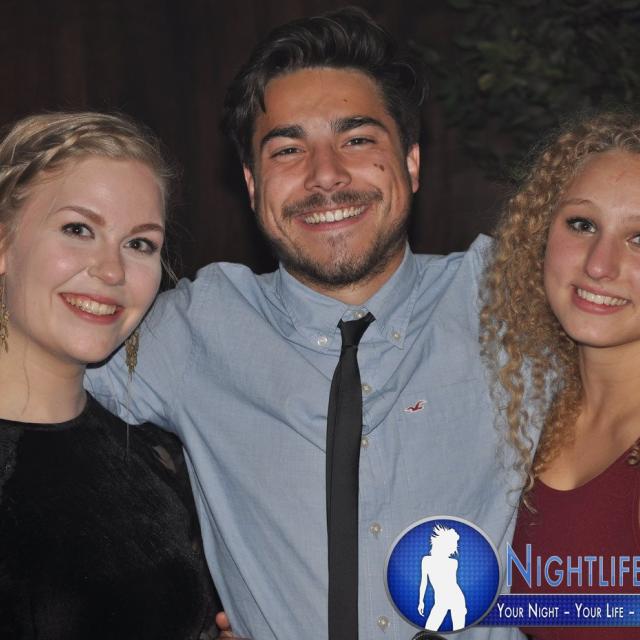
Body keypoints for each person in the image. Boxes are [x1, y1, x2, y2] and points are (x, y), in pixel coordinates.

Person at [87, 8, 528, 639]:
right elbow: (32, 366)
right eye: (288, 150)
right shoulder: (192, 330)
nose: (325, 175)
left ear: (411, 163)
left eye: (357, 140)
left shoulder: (509, 301)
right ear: (251, 183)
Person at [0, 112, 223, 639]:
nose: (111, 270)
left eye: (139, 243)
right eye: (78, 229)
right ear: (5, 244)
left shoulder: (157, 458)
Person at [481, 111, 640, 640]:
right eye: (582, 224)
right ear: (539, 235)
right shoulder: (530, 409)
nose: (599, 264)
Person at [418, 525, 467, 632]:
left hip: (456, 599)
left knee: (459, 633)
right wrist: (421, 601)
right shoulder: (426, 560)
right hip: (440, 601)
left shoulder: (453, 563)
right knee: (428, 631)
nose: (452, 549)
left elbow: (452, 584)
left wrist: (462, 608)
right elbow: (423, 582)